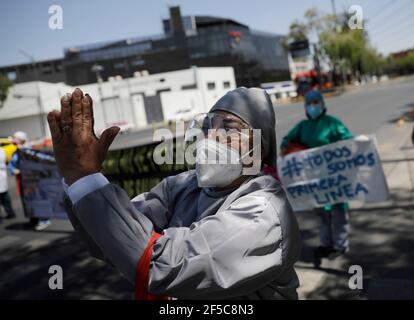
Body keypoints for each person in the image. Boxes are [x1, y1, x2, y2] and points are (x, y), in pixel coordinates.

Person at [48, 87, 301, 300]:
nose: (211, 137)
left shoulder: (263, 212)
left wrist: (85, 178)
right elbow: (109, 241)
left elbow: (161, 265)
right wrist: (76, 179)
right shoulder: (182, 186)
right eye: (208, 127)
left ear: (259, 147)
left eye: (229, 129)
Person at [280, 90, 353, 259]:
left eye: (316, 102)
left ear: (322, 104)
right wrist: (286, 147)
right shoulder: (302, 126)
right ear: (305, 107)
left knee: (339, 212)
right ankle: (326, 244)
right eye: (310, 103)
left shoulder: (332, 123)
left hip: (334, 178)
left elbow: (348, 140)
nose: (313, 106)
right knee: (322, 214)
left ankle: (341, 245)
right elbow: (287, 139)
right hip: (314, 179)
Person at [8, 131, 52, 231]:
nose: (13, 140)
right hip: (23, 181)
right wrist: (13, 170)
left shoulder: (29, 149)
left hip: (33, 180)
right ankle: (34, 219)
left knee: (37, 199)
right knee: (28, 201)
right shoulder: (16, 151)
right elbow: (12, 164)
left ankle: (44, 219)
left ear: (21, 139)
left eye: (15, 138)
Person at [0, 147, 16, 223]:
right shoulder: (1, 150)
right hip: (2, 175)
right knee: (5, 196)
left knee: (4, 196)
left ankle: (9, 213)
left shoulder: (1, 151)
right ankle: (10, 212)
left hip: (1, 175)